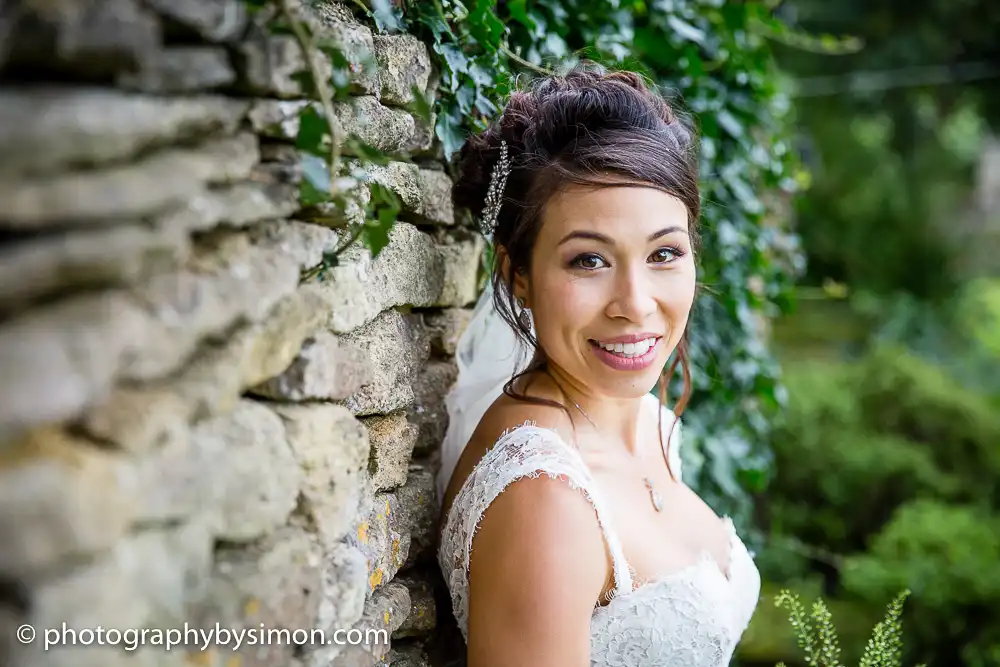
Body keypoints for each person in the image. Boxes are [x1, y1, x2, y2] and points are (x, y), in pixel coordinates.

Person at [435, 62, 761, 667]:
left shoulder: (651, 421)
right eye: (588, 261)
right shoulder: (544, 498)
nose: (636, 304)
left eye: (664, 253)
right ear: (519, 277)